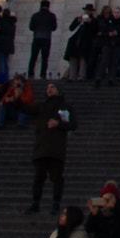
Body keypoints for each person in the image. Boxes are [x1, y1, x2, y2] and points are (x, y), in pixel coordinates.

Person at [24, 82, 78, 214]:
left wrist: (58, 123)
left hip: (56, 149)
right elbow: (26, 109)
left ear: (59, 90)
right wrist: (16, 98)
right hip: (41, 148)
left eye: (52, 87)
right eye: (47, 87)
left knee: (57, 178)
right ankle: (35, 203)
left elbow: (73, 124)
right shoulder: (42, 107)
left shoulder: (66, 107)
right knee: (38, 178)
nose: (48, 89)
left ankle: (55, 204)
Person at [28, 0, 58, 78]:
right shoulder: (51, 16)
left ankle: (30, 73)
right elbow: (54, 27)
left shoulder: (35, 15)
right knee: (45, 58)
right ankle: (43, 74)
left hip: (37, 37)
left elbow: (31, 27)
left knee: (33, 57)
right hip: (46, 38)